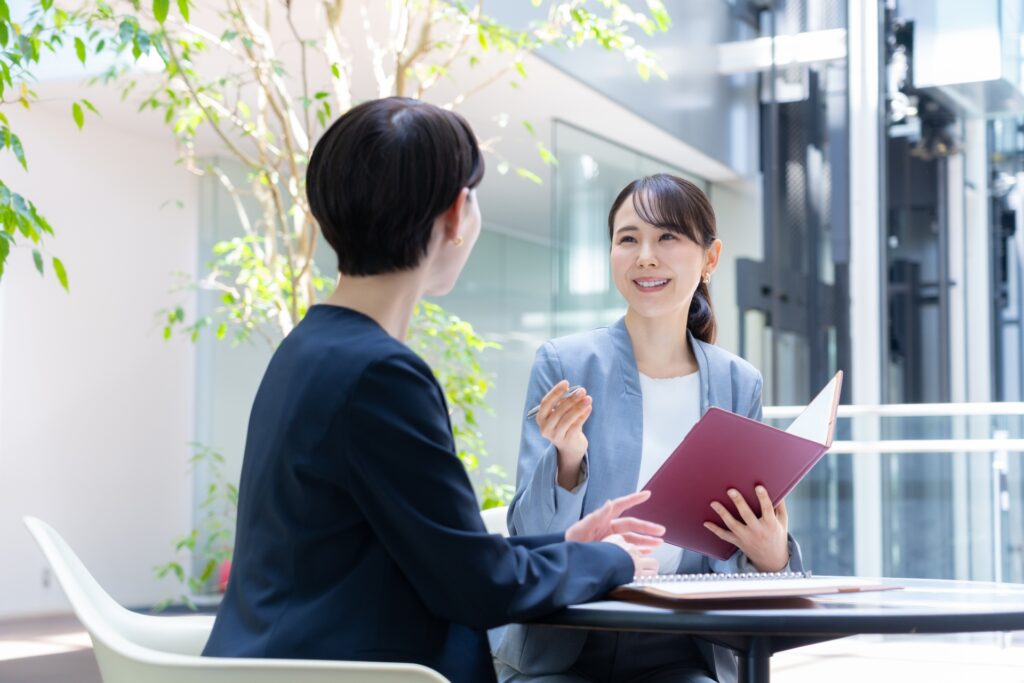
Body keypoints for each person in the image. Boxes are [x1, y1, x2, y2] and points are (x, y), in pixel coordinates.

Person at [201, 97, 666, 683]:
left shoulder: (307, 349)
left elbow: (442, 552)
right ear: (456, 213)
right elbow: (476, 589)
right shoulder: (381, 374)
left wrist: (569, 544)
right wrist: (613, 559)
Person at [494, 174, 805, 683]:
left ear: (710, 258)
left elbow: (743, 559)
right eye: (628, 238)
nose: (645, 256)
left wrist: (773, 555)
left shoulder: (737, 382)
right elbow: (531, 539)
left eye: (667, 237)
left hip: (685, 648)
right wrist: (568, 459)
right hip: (566, 637)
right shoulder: (564, 364)